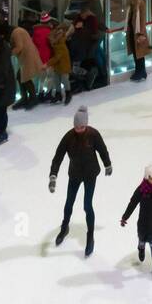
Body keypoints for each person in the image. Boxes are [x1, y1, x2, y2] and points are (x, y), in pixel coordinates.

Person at [49, 105, 113, 256]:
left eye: (82, 126)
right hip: (75, 174)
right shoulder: (68, 137)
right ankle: (64, 227)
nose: (79, 129)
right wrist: (53, 176)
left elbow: (103, 150)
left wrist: (107, 164)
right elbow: (58, 157)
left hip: (90, 174)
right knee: (68, 203)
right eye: (76, 127)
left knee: (87, 205)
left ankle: (90, 235)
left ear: (86, 124)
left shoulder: (93, 134)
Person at [11, 24, 44, 109]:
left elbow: (19, 47)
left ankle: (31, 98)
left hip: (28, 57)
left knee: (25, 78)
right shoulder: (20, 30)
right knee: (21, 77)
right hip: (29, 56)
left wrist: (9, 53)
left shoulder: (16, 32)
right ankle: (26, 97)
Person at [47, 22, 73, 105]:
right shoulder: (56, 43)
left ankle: (68, 93)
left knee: (65, 79)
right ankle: (58, 94)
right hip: (57, 65)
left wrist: (47, 64)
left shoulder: (60, 44)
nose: (51, 41)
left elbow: (57, 57)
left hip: (63, 65)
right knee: (56, 80)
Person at [126, 0, 148, 82]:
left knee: (139, 54)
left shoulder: (140, 4)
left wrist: (141, 34)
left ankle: (141, 72)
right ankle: (139, 71)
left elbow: (142, 20)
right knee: (136, 53)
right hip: (132, 32)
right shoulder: (132, 5)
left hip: (138, 33)